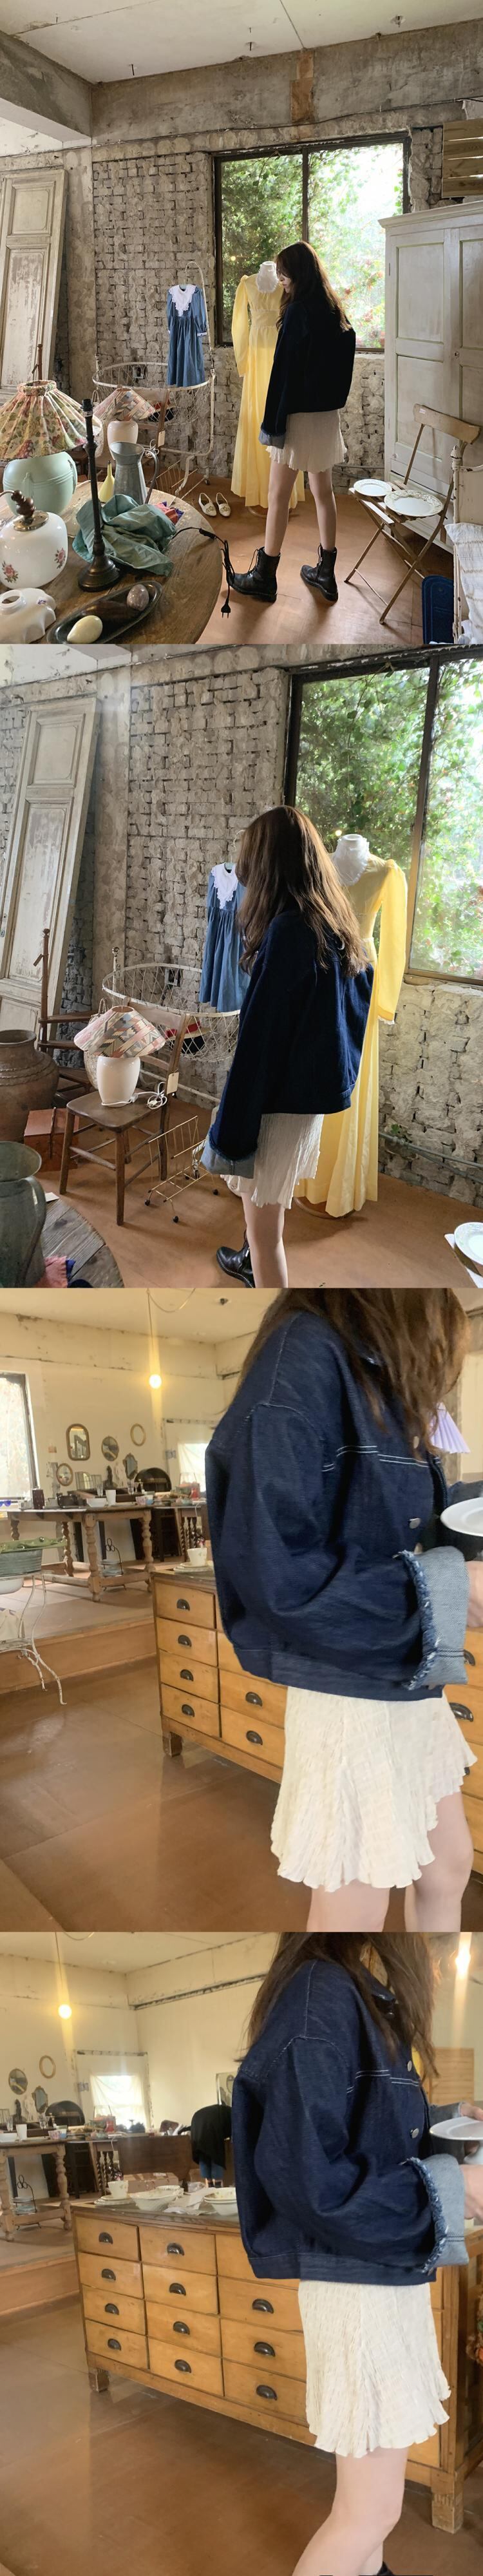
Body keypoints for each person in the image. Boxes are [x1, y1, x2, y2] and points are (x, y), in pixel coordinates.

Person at [205, 1288, 483, 1930]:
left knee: (446, 1867)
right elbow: (278, 1572)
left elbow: (391, 1512)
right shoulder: (304, 1357)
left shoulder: (371, 1369)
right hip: (348, 1682)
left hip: (403, 1667)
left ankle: (420, 1989)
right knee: (356, 1899)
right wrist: (453, 1589)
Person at [231, 1932, 483, 2576]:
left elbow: (362, 2133)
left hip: (379, 2276)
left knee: (372, 2511)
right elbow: (310, 2180)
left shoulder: (345, 1993)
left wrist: (447, 2118)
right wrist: (457, 2185)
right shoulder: (323, 1994)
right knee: (367, 2514)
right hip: (360, 2285)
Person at [202, 807, 373, 1288]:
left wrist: (229, 1134)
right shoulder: (333, 923)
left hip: (276, 1108)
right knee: (267, 1225)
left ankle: (275, 1316)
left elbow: (259, 1044)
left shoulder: (289, 932)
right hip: (303, 1103)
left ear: (270, 866)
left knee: (265, 1239)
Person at [225, 242, 355, 607]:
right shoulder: (334, 310)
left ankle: (264, 577)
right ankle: (326, 573)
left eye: (284, 273)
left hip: (297, 417)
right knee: (323, 493)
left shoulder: (298, 311)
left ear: (297, 273)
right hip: (325, 418)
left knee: (278, 495)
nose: (281, 279)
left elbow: (283, 373)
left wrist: (273, 424)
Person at [190, 2099, 232, 2186]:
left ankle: (210, 2184)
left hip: (197, 2123)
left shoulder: (224, 2110)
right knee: (217, 2155)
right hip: (210, 2124)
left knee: (203, 2154)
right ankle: (217, 2186)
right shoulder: (233, 2113)